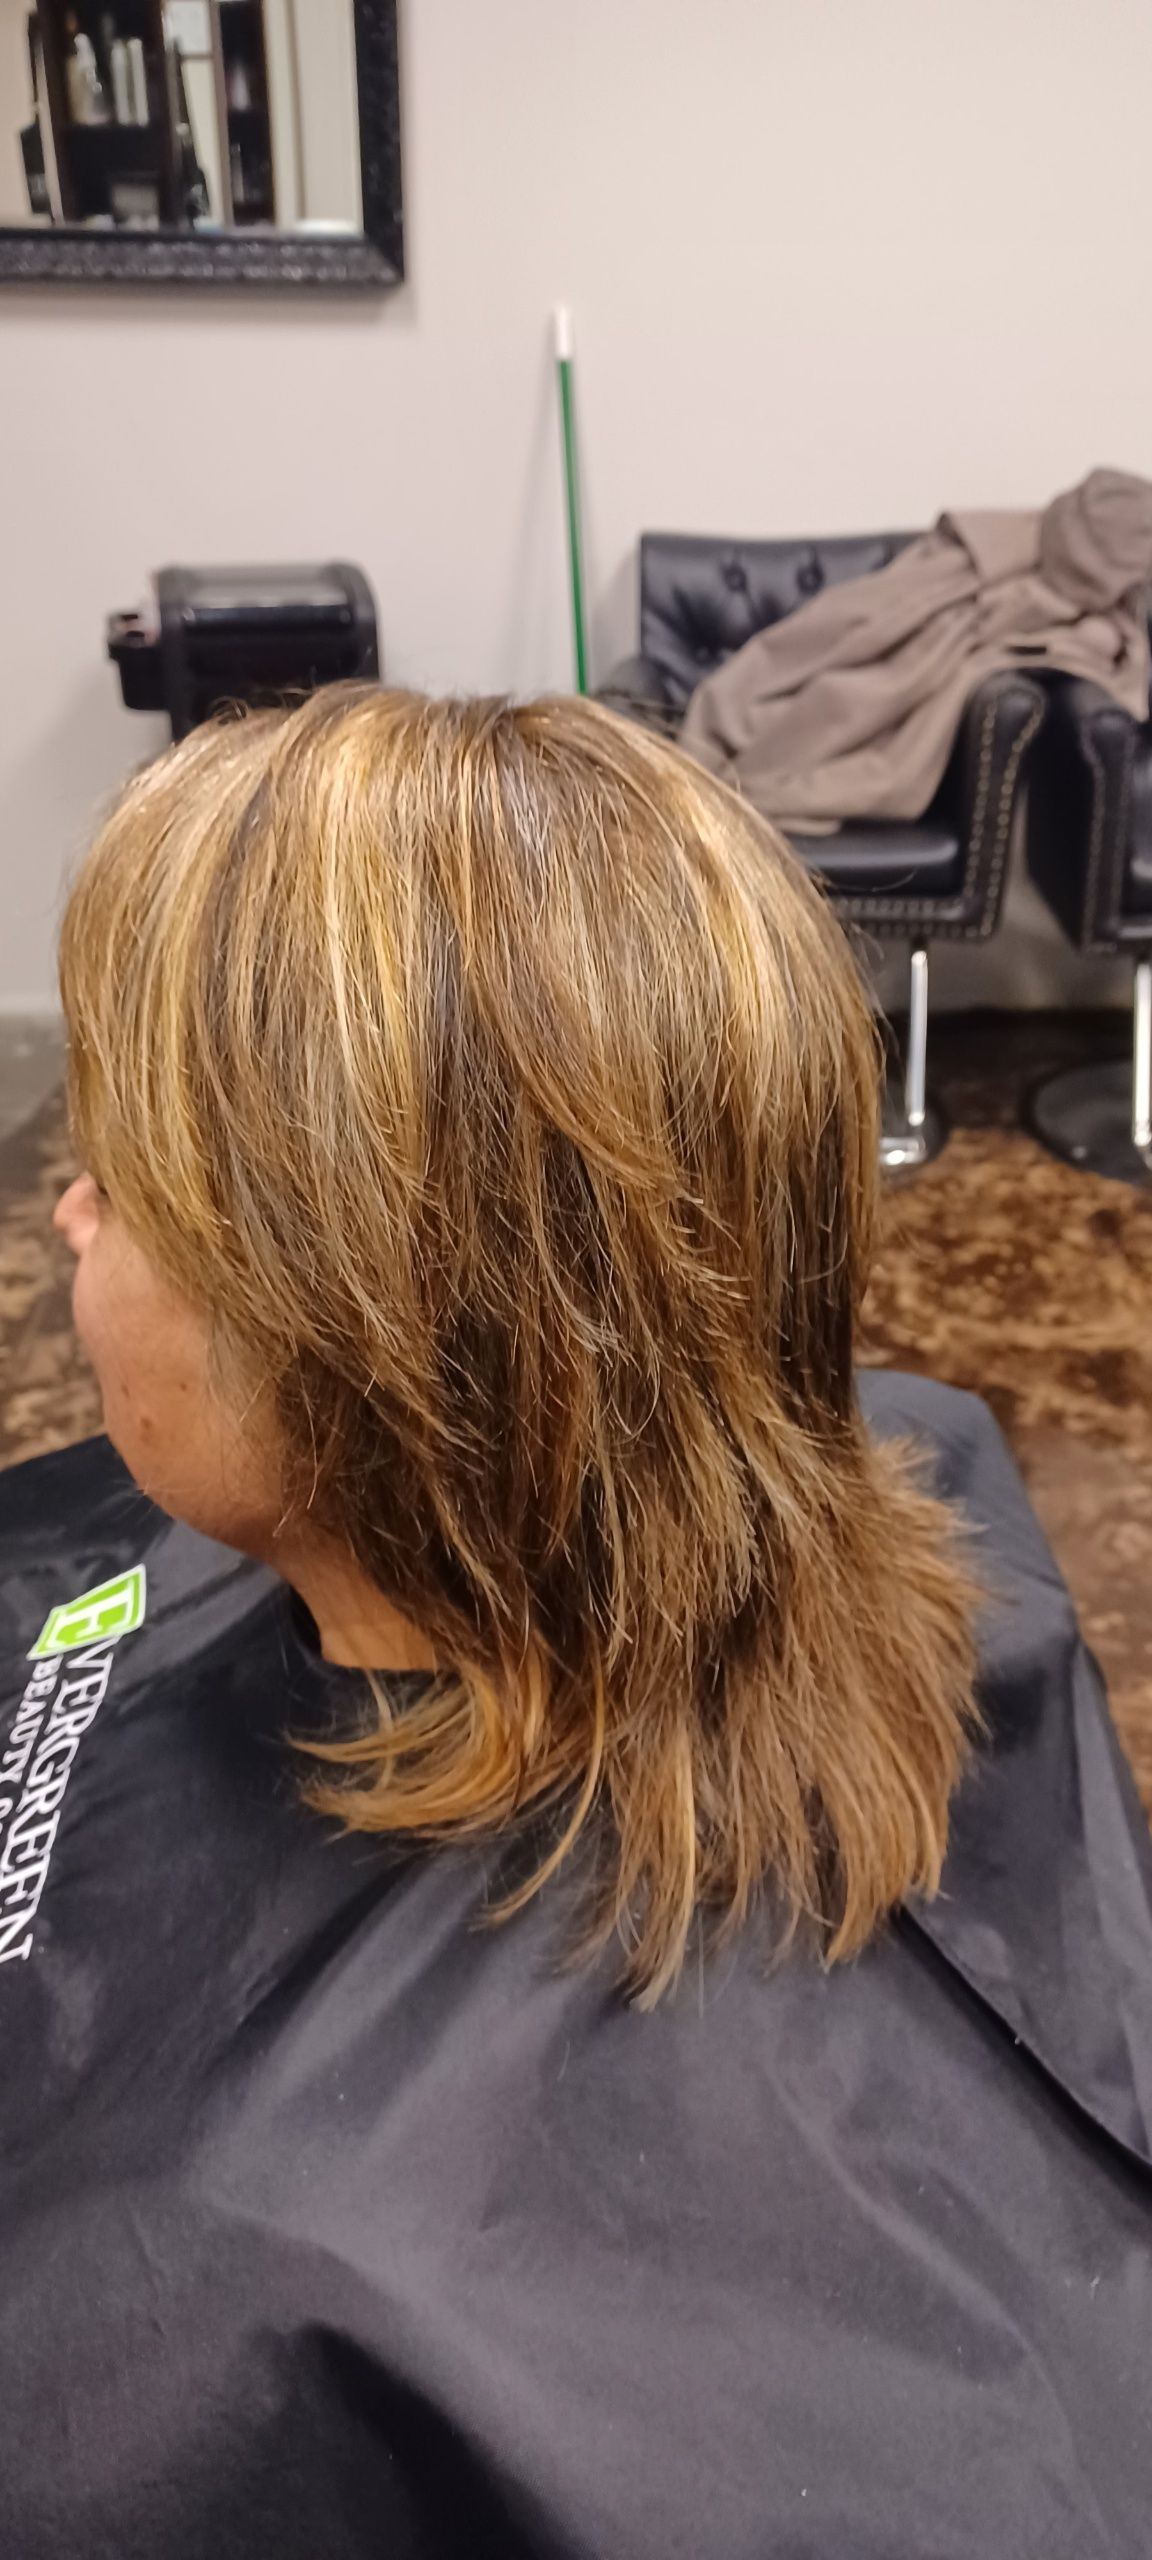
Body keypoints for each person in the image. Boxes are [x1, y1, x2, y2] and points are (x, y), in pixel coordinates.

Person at [0, 688, 1148, 2558]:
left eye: (124, 1183)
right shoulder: (916, 1447)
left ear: (360, 1347)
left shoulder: (245, 2253)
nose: (62, 1214)